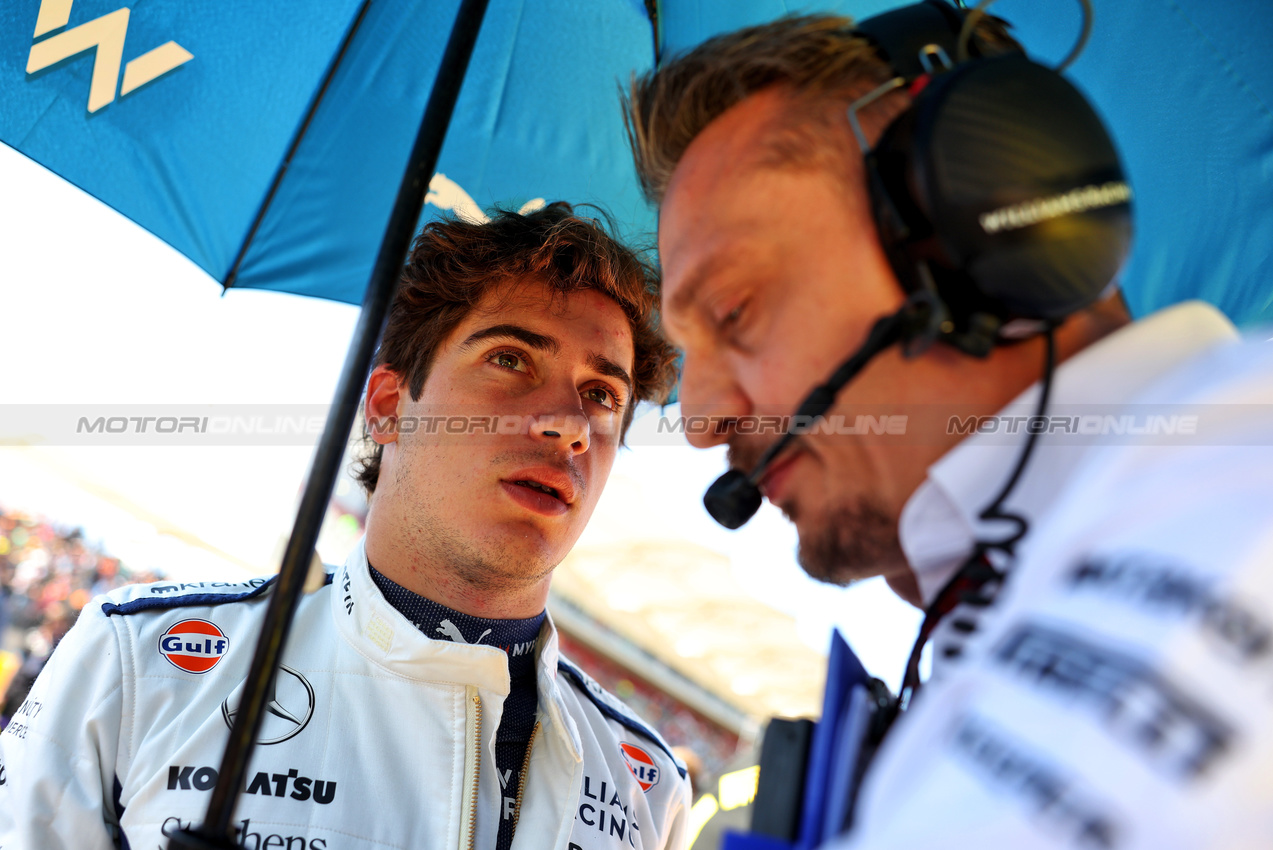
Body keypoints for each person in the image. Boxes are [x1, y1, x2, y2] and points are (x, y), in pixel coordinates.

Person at [626, 4, 1273, 848]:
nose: (702, 419)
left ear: (990, 215)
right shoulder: (994, 614)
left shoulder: (1240, 489)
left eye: (733, 309)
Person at [0, 203, 692, 850]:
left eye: (602, 396)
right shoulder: (136, 659)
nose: (567, 424)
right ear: (389, 405)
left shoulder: (647, 784)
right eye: (509, 359)